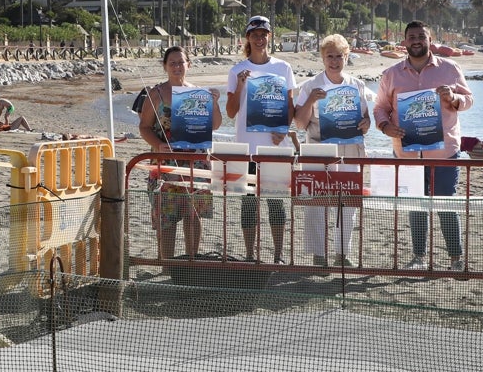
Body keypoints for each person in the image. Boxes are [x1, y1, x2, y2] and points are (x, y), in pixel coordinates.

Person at [374, 20, 474, 272]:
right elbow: (380, 108)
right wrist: (386, 127)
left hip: (444, 152)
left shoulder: (450, 68)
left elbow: (469, 99)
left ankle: (456, 259)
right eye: (412, 37)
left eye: (422, 36)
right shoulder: (391, 74)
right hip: (406, 152)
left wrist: (453, 98)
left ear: (430, 40)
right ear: (404, 41)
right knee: (415, 207)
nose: (417, 41)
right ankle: (418, 258)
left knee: (445, 204)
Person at [293, 33, 371, 267]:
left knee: (347, 203)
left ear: (347, 57)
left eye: (339, 56)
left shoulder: (357, 85)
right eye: (330, 56)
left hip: (349, 150)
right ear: (322, 58)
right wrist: (309, 101)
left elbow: (365, 120)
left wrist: (366, 123)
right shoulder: (310, 85)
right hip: (319, 150)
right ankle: (319, 254)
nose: (335, 61)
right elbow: (299, 124)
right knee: (317, 203)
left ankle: (341, 253)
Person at [138, 45, 222, 260]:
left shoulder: (199, 93)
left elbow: (214, 125)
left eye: (181, 62)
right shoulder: (155, 93)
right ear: (165, 66)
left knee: (193, 215)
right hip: (166, 162)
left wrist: (214, 103)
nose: (177, 66)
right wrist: (157, 145)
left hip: (196, 163)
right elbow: (144, 127)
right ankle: (167, 264)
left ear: (189, 65)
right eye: (172, 63)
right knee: (167, 217)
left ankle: (191, 262)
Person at [225, 15, 297, 263]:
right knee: (249, 205)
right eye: (254, 34)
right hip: (247, 149)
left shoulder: (283, 68)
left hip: (275, 148)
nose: (259, 38)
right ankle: (249, 254)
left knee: (276, 204)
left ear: (269, 36)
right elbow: (231, 112)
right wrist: (242, 84)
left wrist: (283, 129)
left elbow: (290, 106)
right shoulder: (236, 71)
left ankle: (277, 255)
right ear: (247, 38)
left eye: (263, 33)